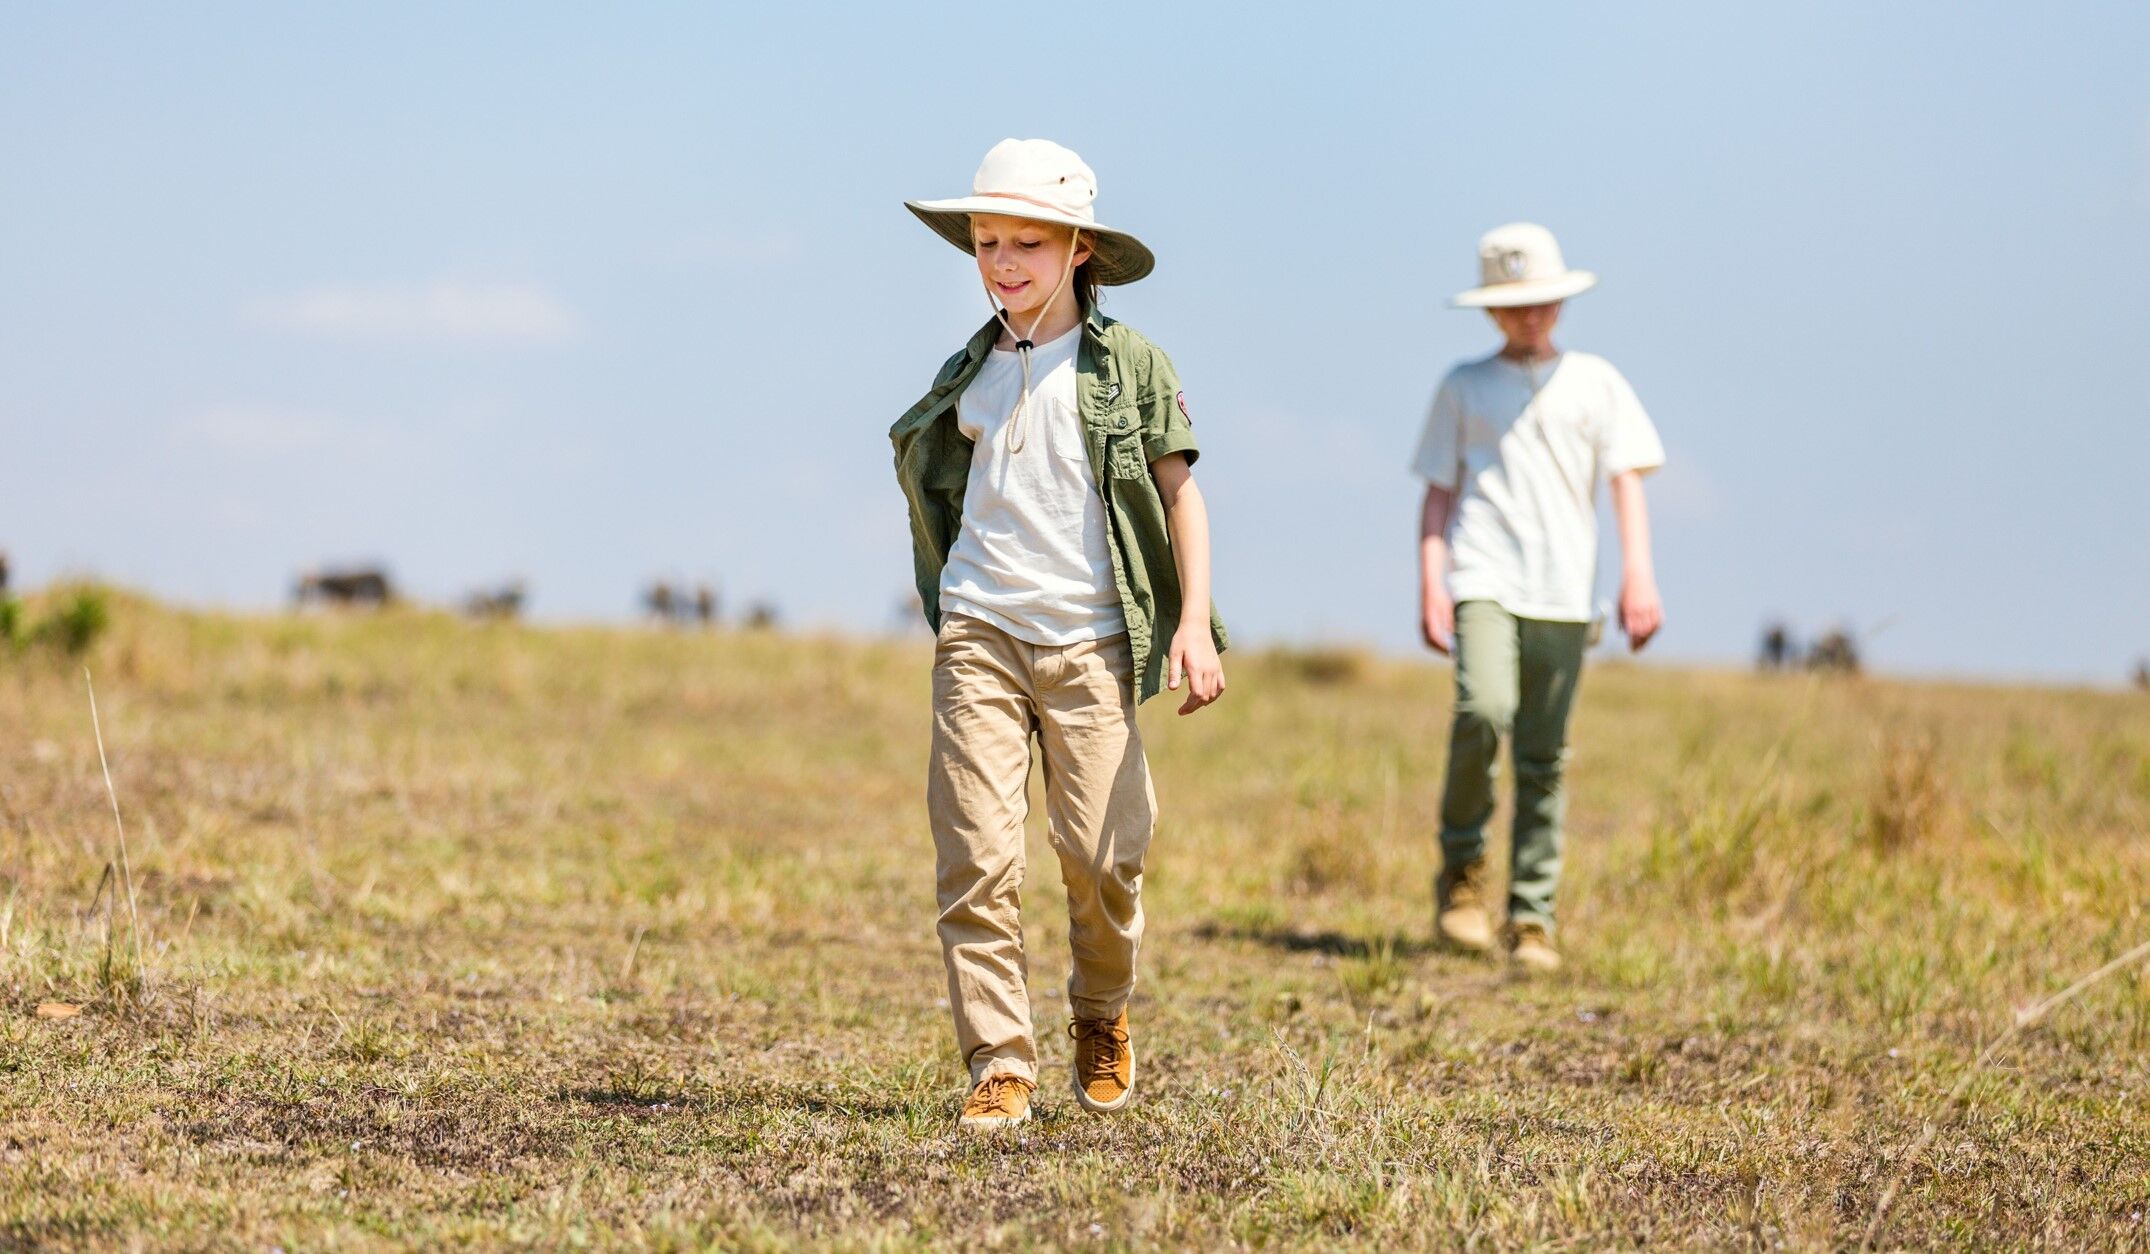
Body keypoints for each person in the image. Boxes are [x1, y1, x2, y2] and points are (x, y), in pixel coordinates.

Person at [892, 139, 1228, 1129]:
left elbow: (1180, 498)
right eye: (986, 242)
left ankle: (1099, 1010)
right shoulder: (967, 376)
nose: (1001, 262)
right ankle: (999, 1063)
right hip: (981, 635)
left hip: (1091, 644)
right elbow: (943, 504)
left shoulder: (1128, 367)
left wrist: (1193, 623)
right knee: (975, 859)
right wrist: (953, 607)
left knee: (1100, 854)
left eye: (1025, 244)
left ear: (1078, 248)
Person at [1411, 223, 1665, 975]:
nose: (1531, 317)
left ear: (1559, 301)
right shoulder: (1463, 385)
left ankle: (1532, 915)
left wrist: (1638, 575)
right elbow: (1436, 494)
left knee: (1544, 755)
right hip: (1484, 576)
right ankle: (1461, 874)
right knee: (1483, 712)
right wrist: (1432, 579)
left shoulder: (1597, 381)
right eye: (1515, 305)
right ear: (1492, 310)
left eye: (1543, 302)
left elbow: (1627, 480)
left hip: (1565, 587)